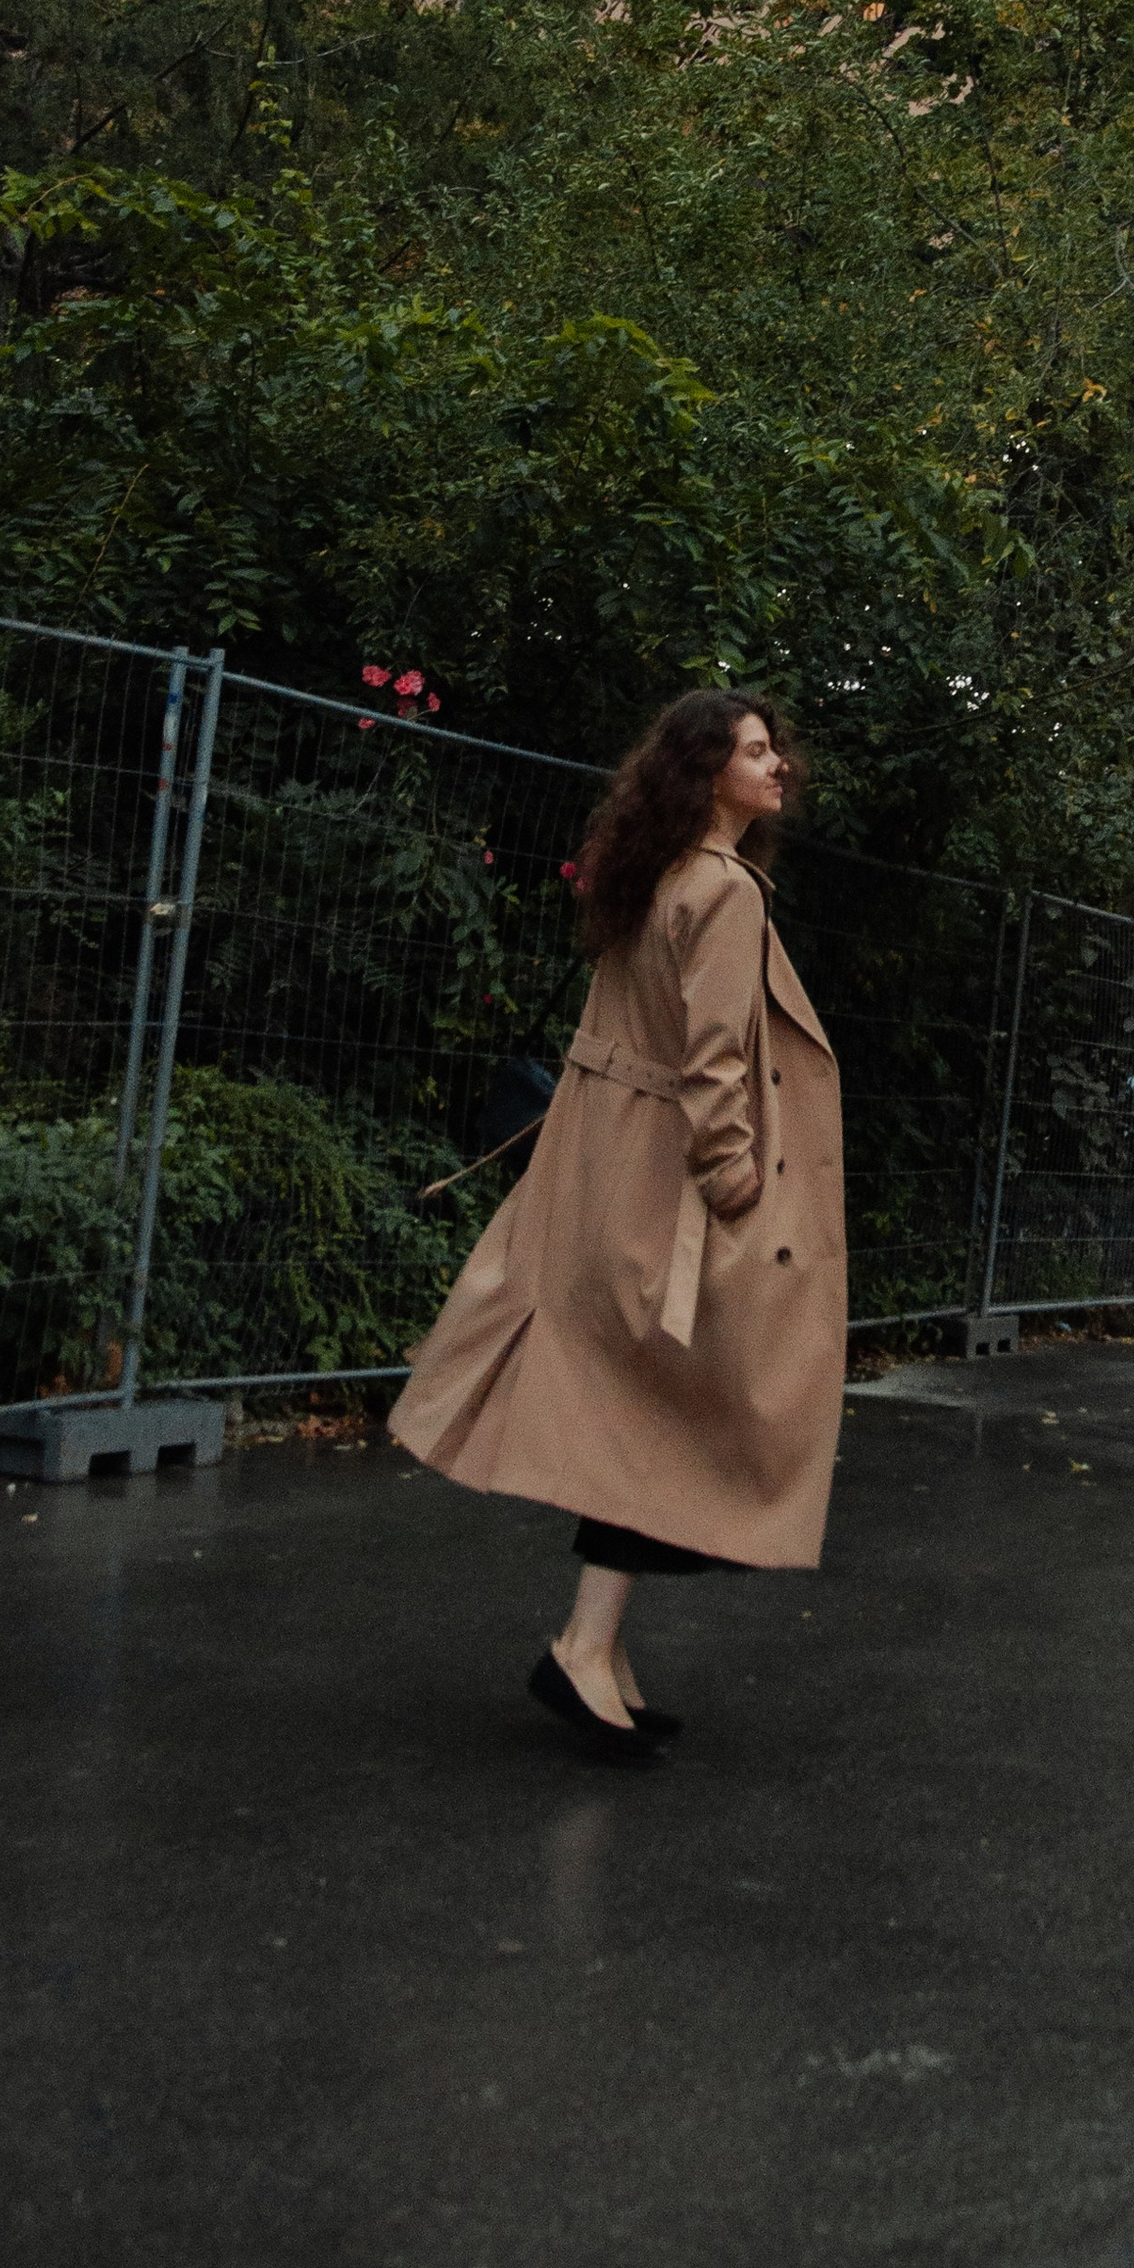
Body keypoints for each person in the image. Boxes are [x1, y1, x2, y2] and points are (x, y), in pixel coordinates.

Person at [389, 691, 848, 1762]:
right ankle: (585, 1646)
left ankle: (601, 1649)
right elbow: (714, 1058)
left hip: (604, 1163)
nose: (777, 765)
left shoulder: (655, 871)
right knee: (675, 1405)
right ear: (705, 772)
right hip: (672, 1181)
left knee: (636, 1403)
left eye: (774, 747)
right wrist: (734, 1180)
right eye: (752, 751)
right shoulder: (723, 892)